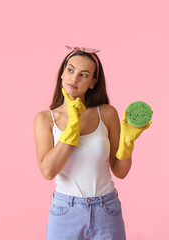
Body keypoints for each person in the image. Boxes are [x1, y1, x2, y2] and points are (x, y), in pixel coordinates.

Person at [33, 45, 151, 239]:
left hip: (107, 210)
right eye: (70, 70)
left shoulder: (106, 113)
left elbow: (120, 171)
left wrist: (128, 143)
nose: (74, 78)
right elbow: (48, 171)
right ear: (62, 74)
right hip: (65, 212)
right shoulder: (45, 119)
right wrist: (73, 126)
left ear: (93, 82)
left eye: (84, 74)